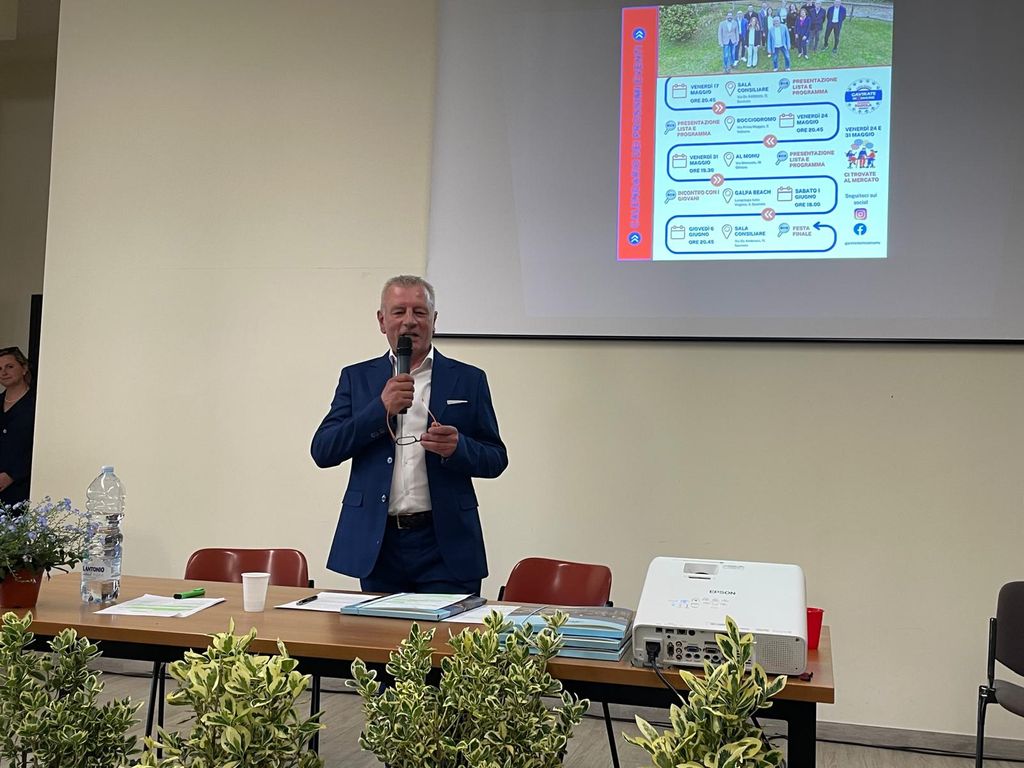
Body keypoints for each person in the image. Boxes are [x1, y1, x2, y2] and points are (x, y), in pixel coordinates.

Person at [311, 275, 508, 595]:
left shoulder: (468, 379)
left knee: (450, 630)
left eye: (419, 312)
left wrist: (458, 448)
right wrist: (380, 409)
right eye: (399, 311)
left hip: (445, 543)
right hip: (379, 543)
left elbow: (496, 458)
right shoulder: (357, 378)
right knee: (379, 630)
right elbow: (323, 450)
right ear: (382, 320)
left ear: (434, 320)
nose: (409, 321)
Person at [0, 347, 35, 505]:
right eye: (0, 369)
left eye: (10, 366)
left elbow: (39, 445)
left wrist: (12, 474)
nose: (4, 372)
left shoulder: (36, 403)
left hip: (23, 486)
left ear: (24, 368)